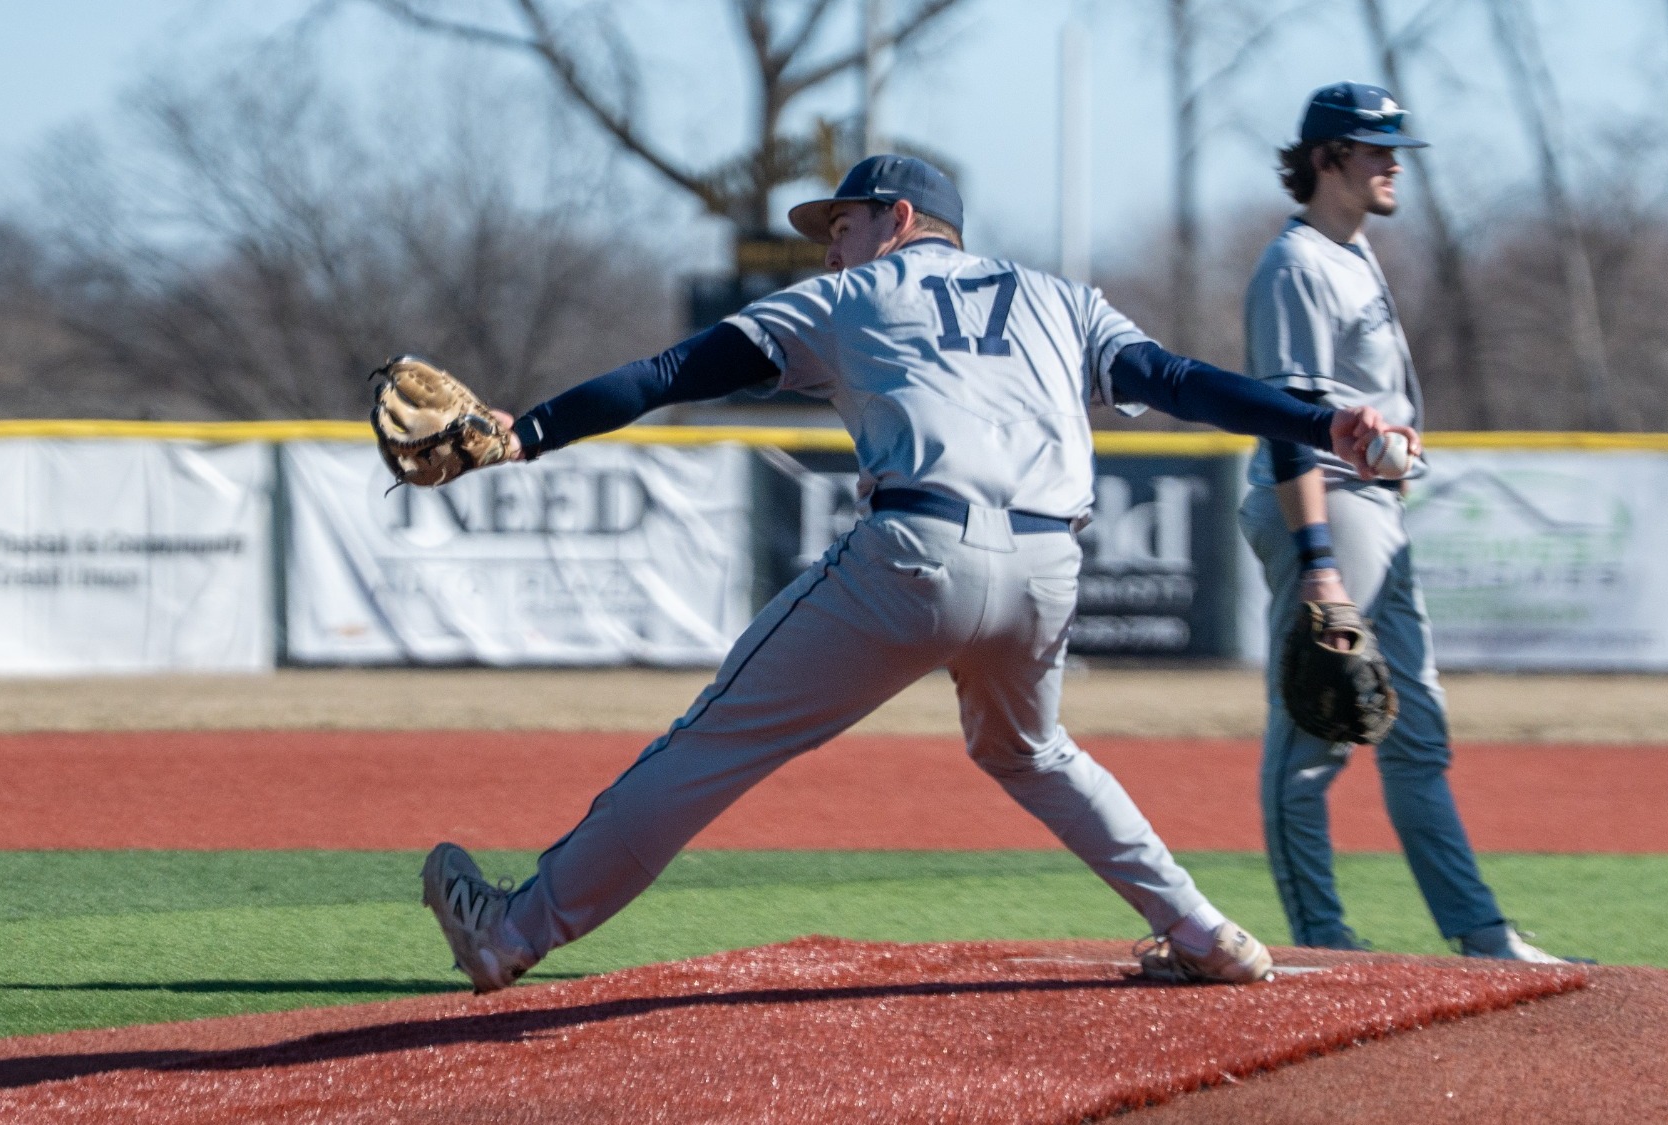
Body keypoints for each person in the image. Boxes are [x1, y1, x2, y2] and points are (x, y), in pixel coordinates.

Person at [419, 154, 1406, 992]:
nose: (826, 245)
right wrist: (1323, 424)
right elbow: (1184, 383)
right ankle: (1200, 934)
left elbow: (668, 374)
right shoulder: (1063, 301)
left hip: (914, 553)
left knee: (715, 740)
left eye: (838, 224)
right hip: (1047, 568)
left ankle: (511, 933)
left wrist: (527, 430)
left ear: (895, 220)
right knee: (1032, 752)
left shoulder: (848, 293)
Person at [1237, 82, 1563, 962]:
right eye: (1376, 149)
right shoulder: (1297, 265)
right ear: (1326, 159)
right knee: (1314, 727)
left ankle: (1481, 931)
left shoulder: (1353, 251)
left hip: (1373, 505)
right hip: (1327, 509)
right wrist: (1318, 565)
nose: (1393, 164)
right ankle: (1319, 937)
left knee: (1415, 729)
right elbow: (1287, 427)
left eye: (1394, 148)